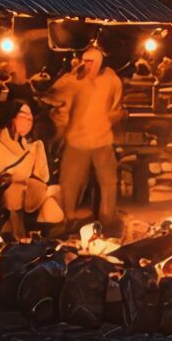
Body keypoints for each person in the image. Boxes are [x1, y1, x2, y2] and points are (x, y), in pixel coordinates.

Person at [47, 39, 124, 236]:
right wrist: (71, 76)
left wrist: (114, 116)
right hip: (77, 141)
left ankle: (108, 222)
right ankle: (68, 220)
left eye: (91, 62)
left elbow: (116, 104)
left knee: (108, 183)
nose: (87, 65)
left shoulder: (110, 79)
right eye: (85, 60)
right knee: (70, 183)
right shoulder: (74, 80)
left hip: (102, 140)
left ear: (99, 63)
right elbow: (51, 96)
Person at [0, 99, 65, 237]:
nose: (28, 121)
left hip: (30, 199)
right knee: (14, 193)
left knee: (55, 203)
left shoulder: (32, 147)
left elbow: (43, 178)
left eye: (30, 118)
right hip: (4, 204)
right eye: (23, 116)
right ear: (11, 117)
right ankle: (18, 239)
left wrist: (39, 150)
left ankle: (43, 243)